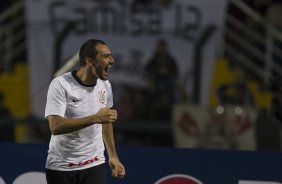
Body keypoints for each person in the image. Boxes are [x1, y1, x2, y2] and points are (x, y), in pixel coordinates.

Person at [44, 39, 125, 184]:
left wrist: (113, 156)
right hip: (61, 167)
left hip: (94, 164)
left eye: (110, 55)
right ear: (89, 61)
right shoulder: (61, 84)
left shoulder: (105, 86)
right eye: (105, 56)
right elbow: (55, 127)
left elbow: (105, 122)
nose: (112, 60)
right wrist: (95, 118)